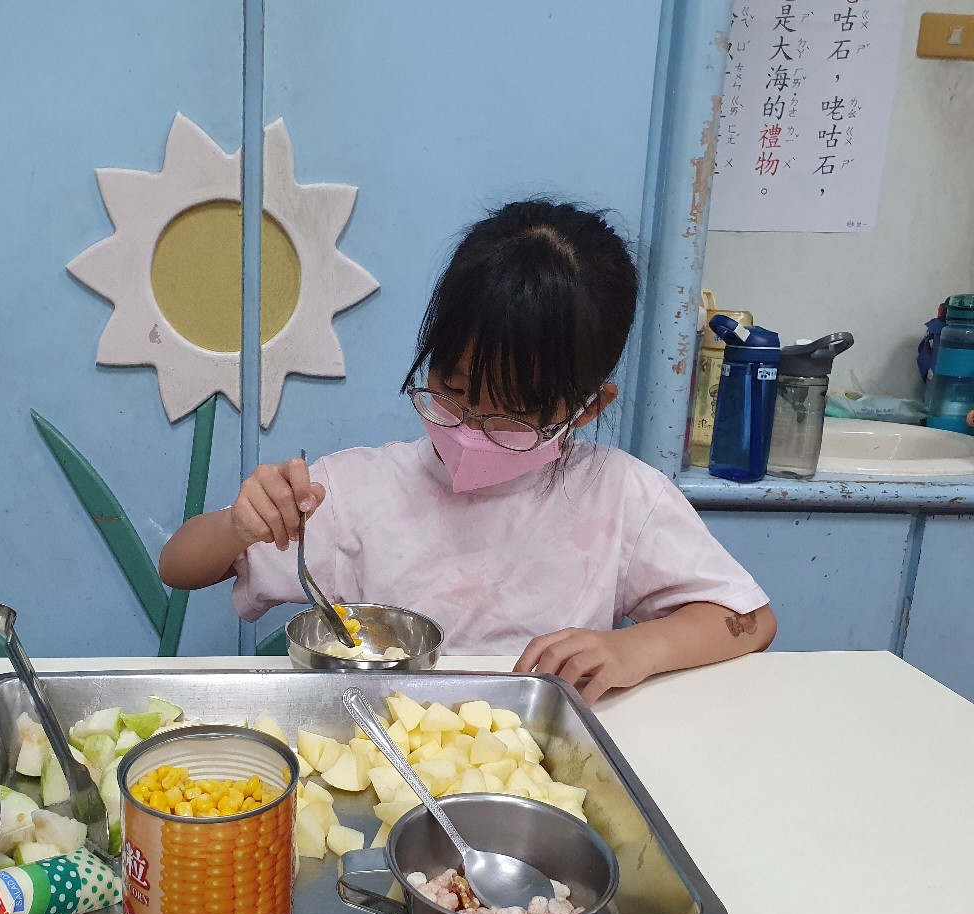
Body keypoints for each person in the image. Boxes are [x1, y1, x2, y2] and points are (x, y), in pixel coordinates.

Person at [159, 199, 776, 703]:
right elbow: (178, 565)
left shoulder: (621, 497)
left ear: (587, 408)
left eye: (512, 414)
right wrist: (238, 526)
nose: (471, 430)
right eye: (451, 393)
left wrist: (634, 649)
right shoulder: (358, 491)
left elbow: (749, 619)